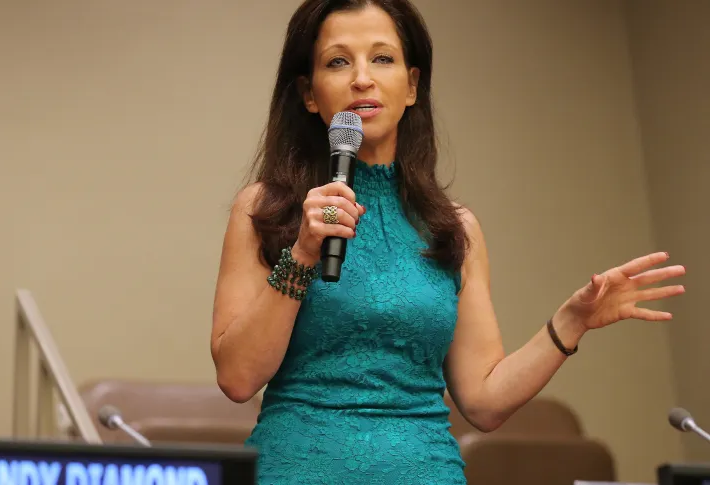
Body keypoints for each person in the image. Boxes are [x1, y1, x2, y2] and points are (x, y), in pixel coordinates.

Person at [210, 0, 687, 483]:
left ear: (412, 84)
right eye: (337, 61)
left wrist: (571, 322)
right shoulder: (265, 209)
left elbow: (483, 401)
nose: (361, 79)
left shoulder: (453, 227)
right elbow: (237, 378)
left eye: (382, 58)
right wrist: (303, 253)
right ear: (309, 94)